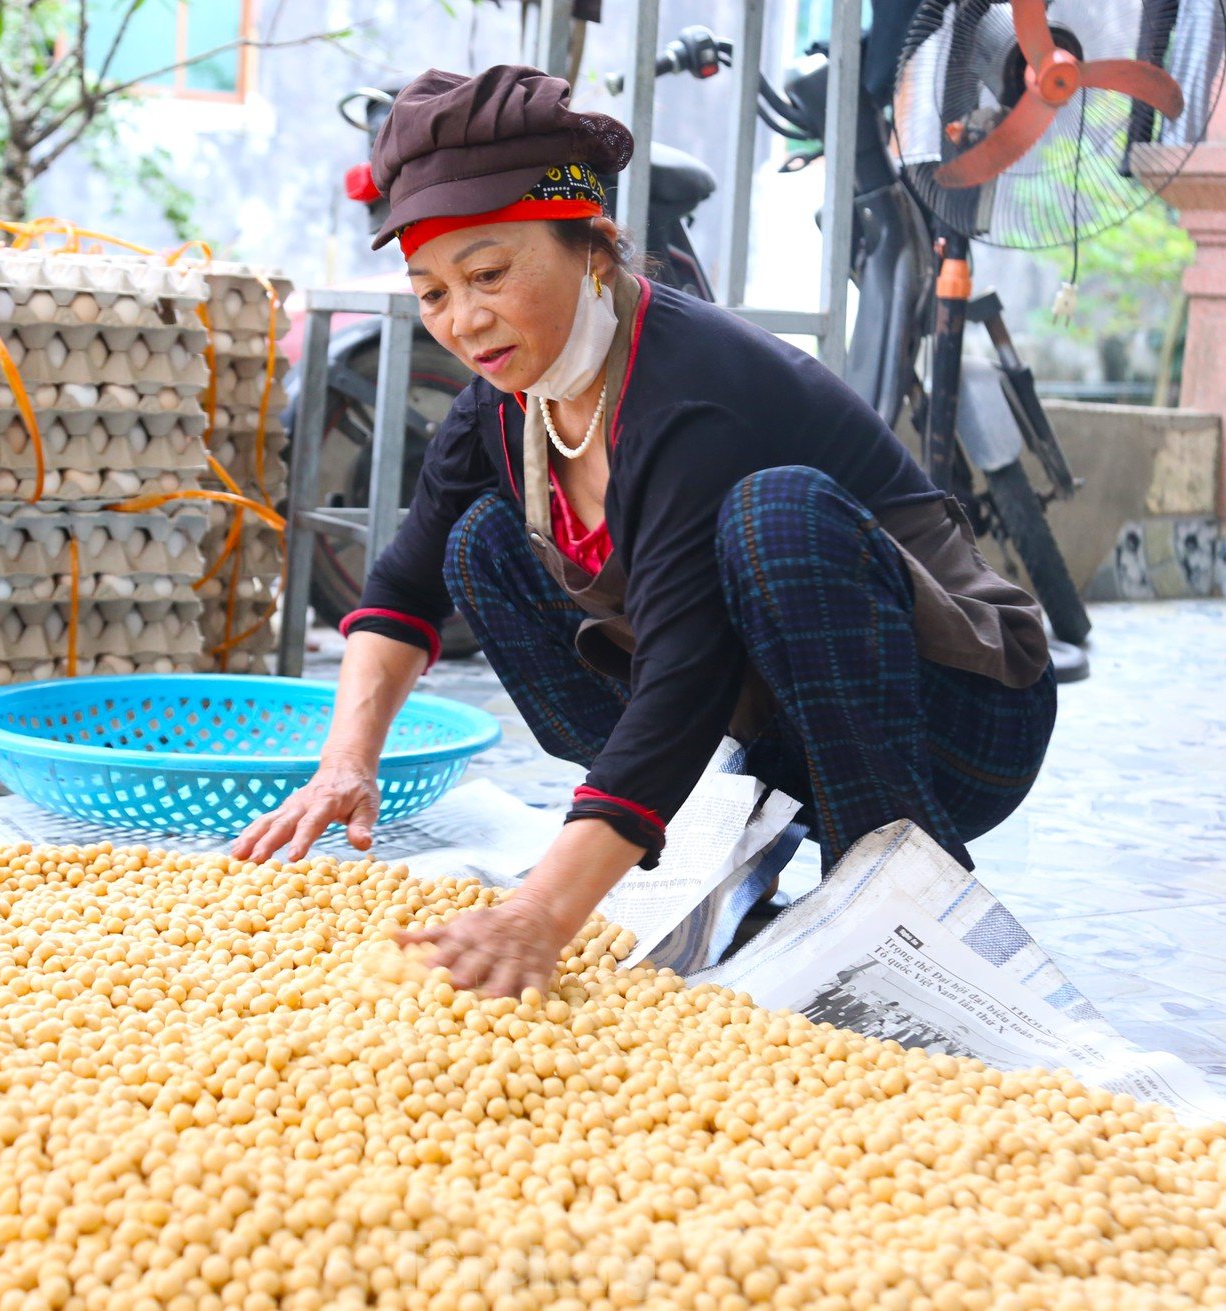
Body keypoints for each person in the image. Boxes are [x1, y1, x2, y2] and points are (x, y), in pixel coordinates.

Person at [234, 64, 1056, 998]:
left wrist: (540, 914)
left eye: (490, 274)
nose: (463, 320)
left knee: (774, 517)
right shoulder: (503, 406)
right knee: (481, 550)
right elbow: (405, 588)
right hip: (787, 725)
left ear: (589, 248)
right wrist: (346, 762)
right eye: (432, 293)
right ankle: (708, 845)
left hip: (961, 716)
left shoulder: (687, 389)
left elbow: (684, 674)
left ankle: (895, 897)